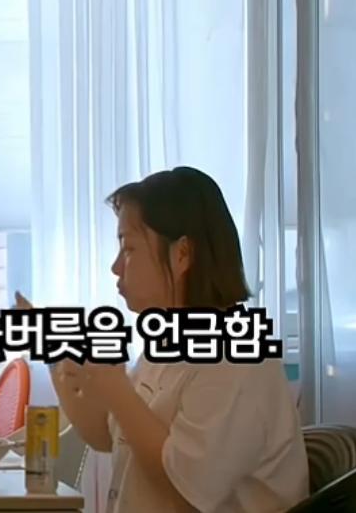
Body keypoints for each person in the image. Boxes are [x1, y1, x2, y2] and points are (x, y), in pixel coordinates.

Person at [16, 166, 309, 513]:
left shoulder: (237, 357)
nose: (115, 267)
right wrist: (54, 354)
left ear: (182, 254)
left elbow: (186, 488)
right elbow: (108, 436)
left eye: (128, 248)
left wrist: (116, 388)